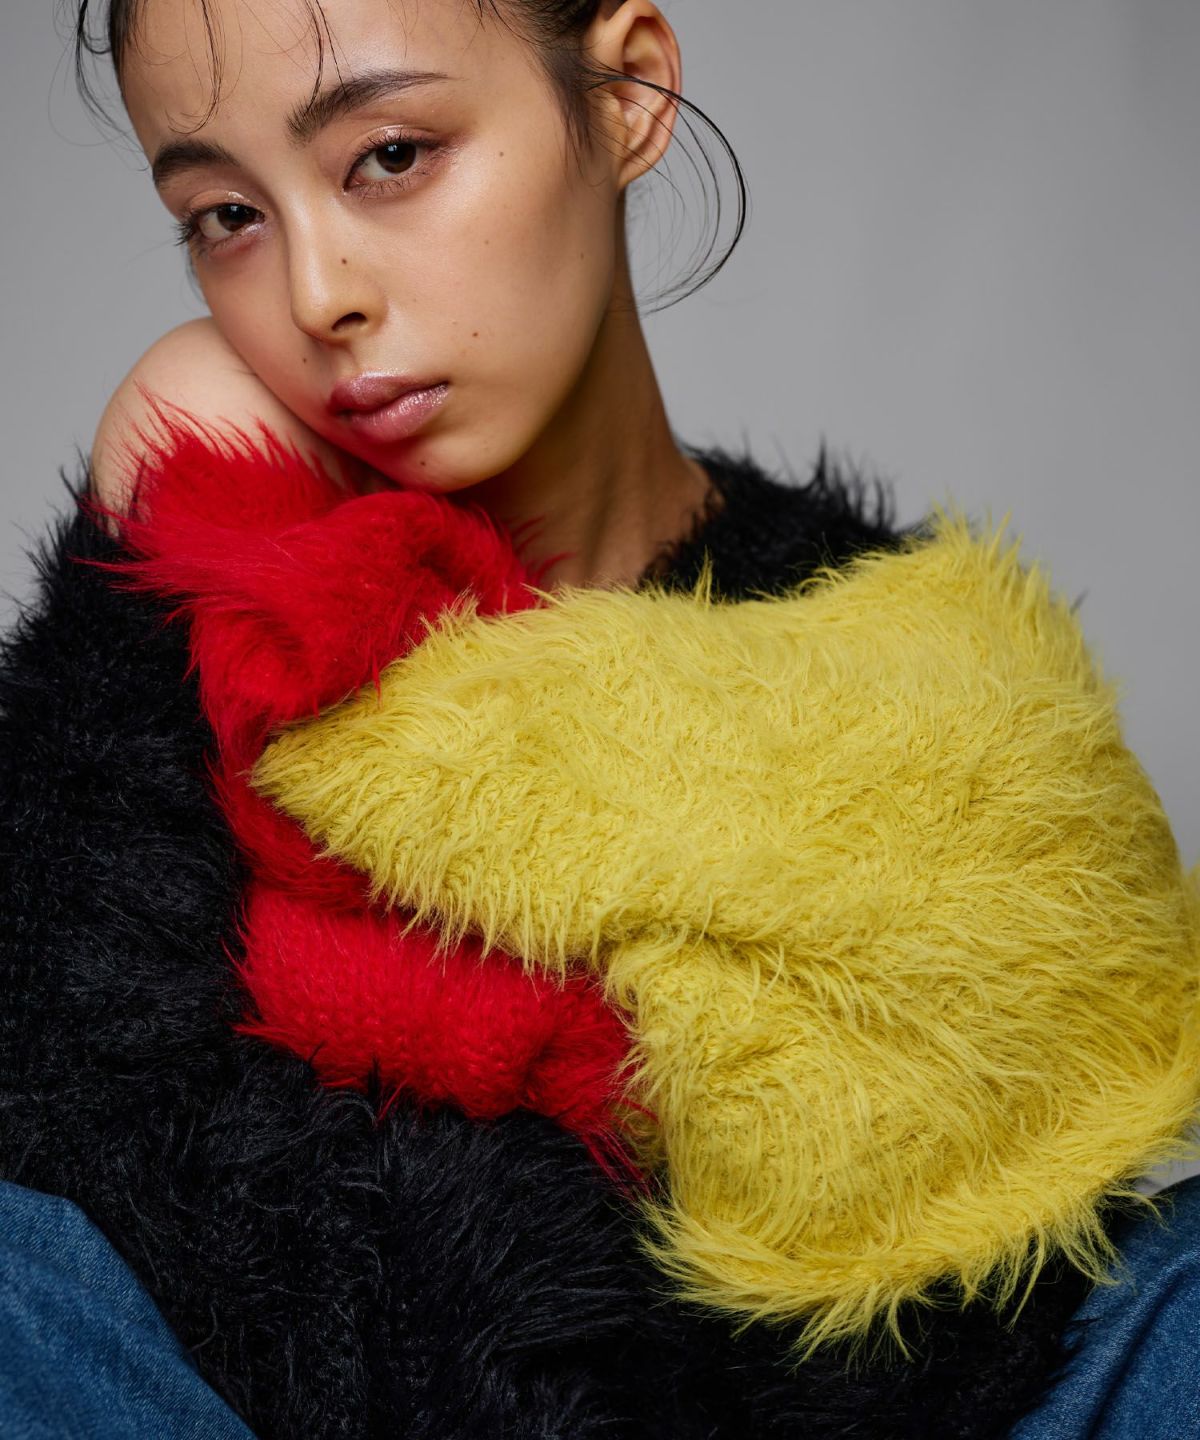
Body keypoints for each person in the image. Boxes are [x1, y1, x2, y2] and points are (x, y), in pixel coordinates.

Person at [2, 1, 1199, 1436]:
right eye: (227, 217)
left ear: (628, 94)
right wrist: (153, 560)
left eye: (391, 155)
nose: (316, 294)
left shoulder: (933, 675)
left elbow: (902, 1329)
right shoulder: (219, 606)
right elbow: (55, 1091)